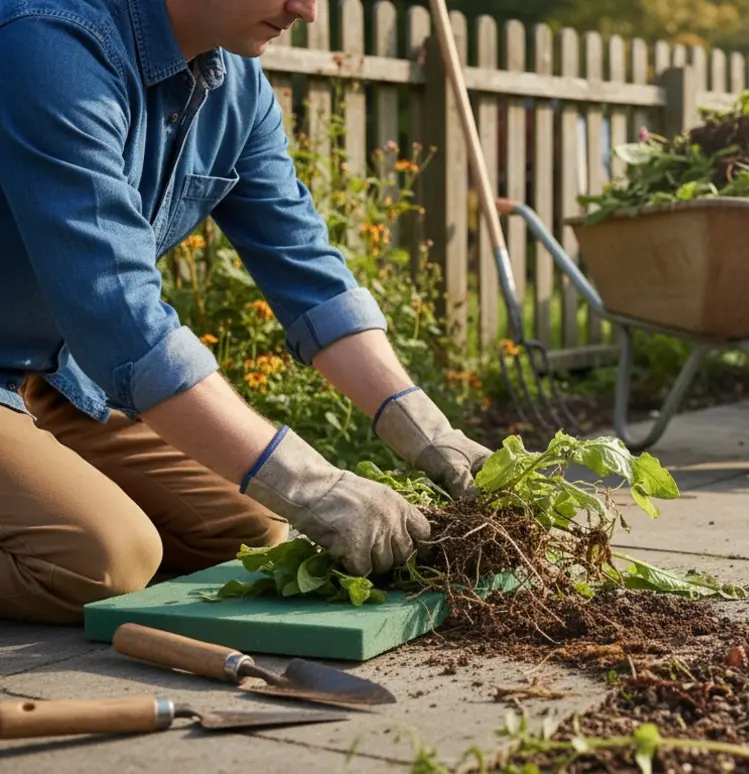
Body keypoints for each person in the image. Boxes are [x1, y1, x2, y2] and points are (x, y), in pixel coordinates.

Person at [0, 0, 493, 625]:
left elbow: (307, 272)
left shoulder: (233, 88)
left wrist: (427, 431)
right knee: (101, 560)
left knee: (249, 527)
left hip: (59, 378)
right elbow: (118, 310)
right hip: (45, 357)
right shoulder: (50, 45)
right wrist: (311, 481)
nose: (307, 10)